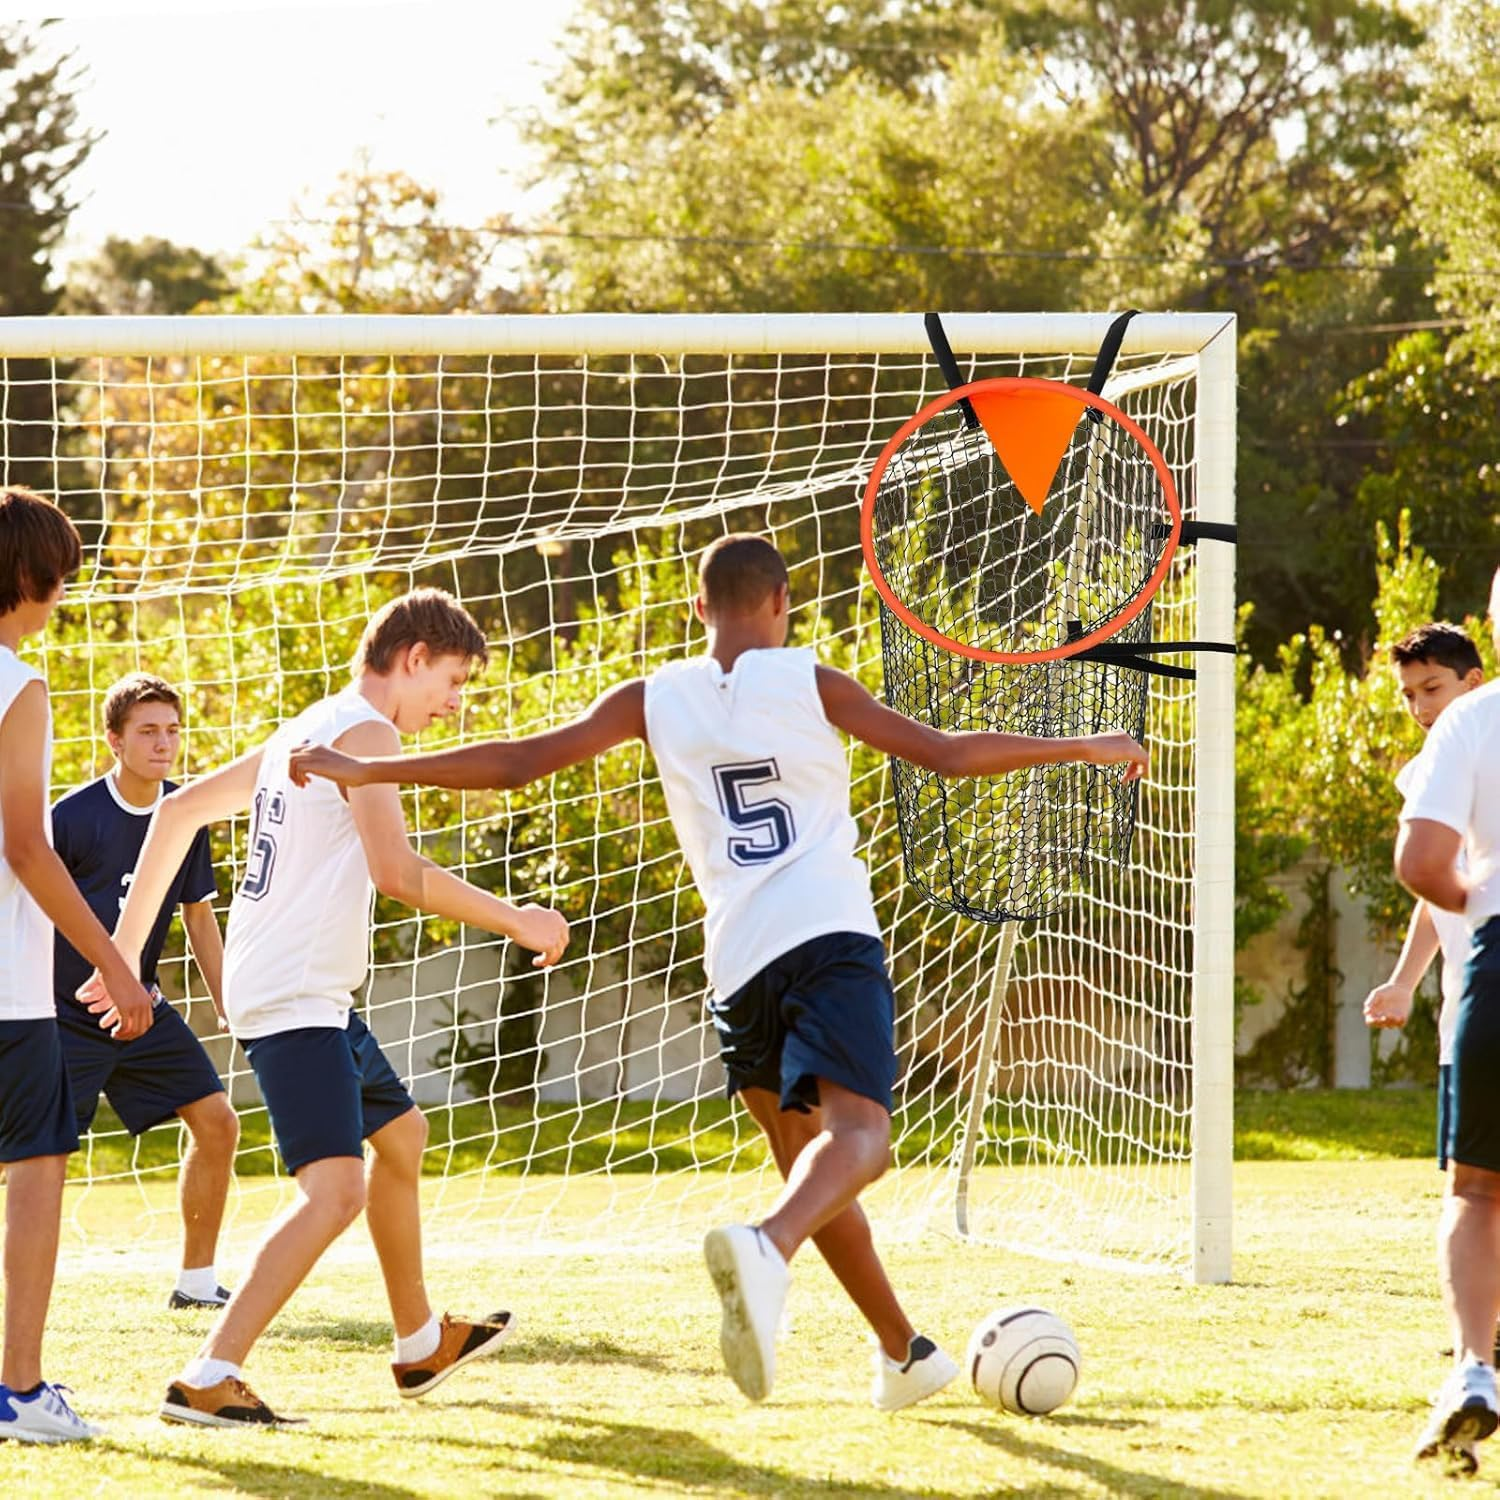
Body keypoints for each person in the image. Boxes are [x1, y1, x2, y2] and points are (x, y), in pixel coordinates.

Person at [287, 533, 1149, 1409]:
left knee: (811, 1168)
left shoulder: (655, 697)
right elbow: (947, 754)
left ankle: (904, 1351)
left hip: (737, 964)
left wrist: (372, 767)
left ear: (698, 609)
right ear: (782, 603)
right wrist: (1080, 746)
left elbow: (516, 764)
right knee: (861, 1144)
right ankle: (767, 1249)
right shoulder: (814, 680)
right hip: (826, 934)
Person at [81, 588, 569, 1427]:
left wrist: (122, 955)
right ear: (413, 657)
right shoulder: (365, 731)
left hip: (309, 992)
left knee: (404, 1136)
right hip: (296, 995)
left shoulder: (307, 724)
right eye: (452, 681)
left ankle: (419, 1343)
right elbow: (398, 872)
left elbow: (182, 811)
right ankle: (209, 1372)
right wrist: (518, 917)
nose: (455, 703)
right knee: (336, 1192)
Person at [0, 487, 154, 1442]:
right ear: (29, 579)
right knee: (39, 1165)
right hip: (9, 992)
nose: (61, 597)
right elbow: (24, 843)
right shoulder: (19, 685)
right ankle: (19, 1390)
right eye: (57, 581)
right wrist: (116, 962)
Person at [52, 672, 240, 1311]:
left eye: (172, 731)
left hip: (142, 1009)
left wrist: (225, 1000)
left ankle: (195, 1284)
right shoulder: (71, 818)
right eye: (148, 731)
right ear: (115, 740)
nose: (164, 743)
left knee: (217, 1123)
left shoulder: (186, 812)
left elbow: (199, 916)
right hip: (63, 1015)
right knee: (24, 1156)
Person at [1396, 570, 1500, 1469]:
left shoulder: (1475, 723)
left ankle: (1475, 1365)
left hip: (1497, 966)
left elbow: (1422, 866)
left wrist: (1481, 901)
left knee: (1477, 1188)